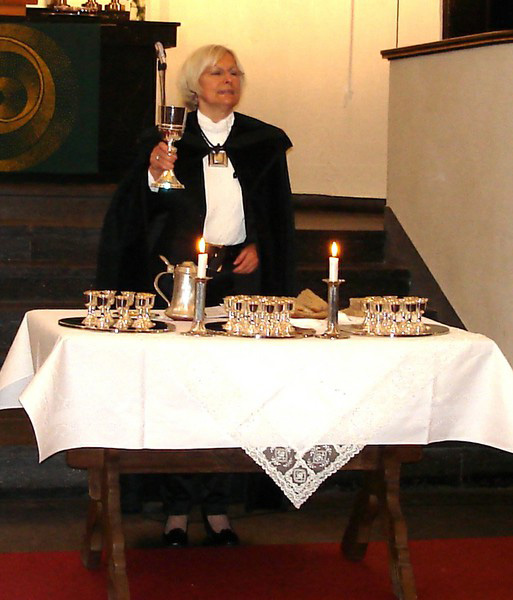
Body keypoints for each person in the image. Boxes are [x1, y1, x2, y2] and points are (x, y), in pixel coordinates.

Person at [96, 44, 296, 547]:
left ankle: (220, 504)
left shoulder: (262, 142)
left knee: (232, 390)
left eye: (234, 72)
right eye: (216, 72)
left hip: (238, 283)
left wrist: (259, 245)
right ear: (194, 84)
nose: (228, 79)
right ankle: (177, 508)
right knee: (180, 391)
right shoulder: (166, 140)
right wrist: (153, 172)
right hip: (179, 281)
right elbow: (136, 212)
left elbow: (275, 213)